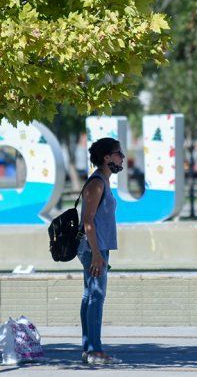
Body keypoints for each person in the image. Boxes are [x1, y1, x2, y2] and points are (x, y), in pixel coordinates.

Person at [78, 137, 124, 365]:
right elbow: (87, 220)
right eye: (118, 153)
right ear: (107, 158)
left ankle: (88, 348)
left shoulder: (103, 181)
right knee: (96, 296)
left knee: (90, 296)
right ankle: (95, 351)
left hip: (97, 247)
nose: (122, 157)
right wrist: (96, 254)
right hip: (93, 248)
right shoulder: (97, 183)